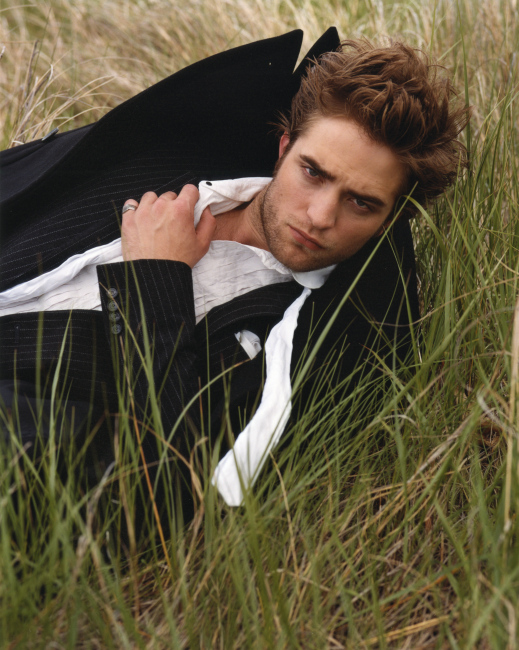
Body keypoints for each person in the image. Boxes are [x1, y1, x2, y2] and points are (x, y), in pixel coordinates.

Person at [0, 29, 468, 525]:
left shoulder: (300, 347)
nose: (319, 216)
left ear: (391, 220)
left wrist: (155, 277)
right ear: (284, 148)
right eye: (313, 172)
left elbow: (169, 482)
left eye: (361, 202)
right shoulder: (164, 155)